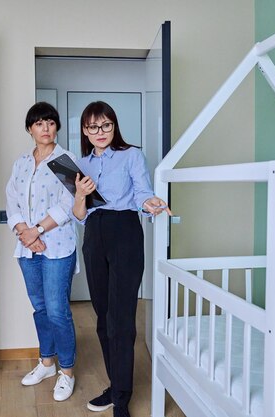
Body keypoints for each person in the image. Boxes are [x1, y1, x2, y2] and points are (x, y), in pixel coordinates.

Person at [72, 101, 172, 417]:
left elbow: (142, 193)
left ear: (114, 126)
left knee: (121, 318)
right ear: (85, 131)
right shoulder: (80, 164)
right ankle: (116, 387)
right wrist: (79, 193)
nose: (99, 132)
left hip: (125, 230)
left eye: (105, 125)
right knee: (103, 317)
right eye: (92, 127)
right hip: (94, 234)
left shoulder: (131, 155)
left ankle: (123, 398)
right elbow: (79, 215)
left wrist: (152, 202)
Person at [5, 102, 78, 402]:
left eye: (50, 122)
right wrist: (25, 232)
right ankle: (47, 362)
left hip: (57, 246)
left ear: (56, 127)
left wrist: (37, 230)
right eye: (39, 123)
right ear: (30, 129)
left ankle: (68, 371)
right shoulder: (22, 162)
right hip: (27, 247)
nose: (45, 128)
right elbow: (12, 200)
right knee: (40, 307)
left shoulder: (66, 159)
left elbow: (68, 204)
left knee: (58, 310)